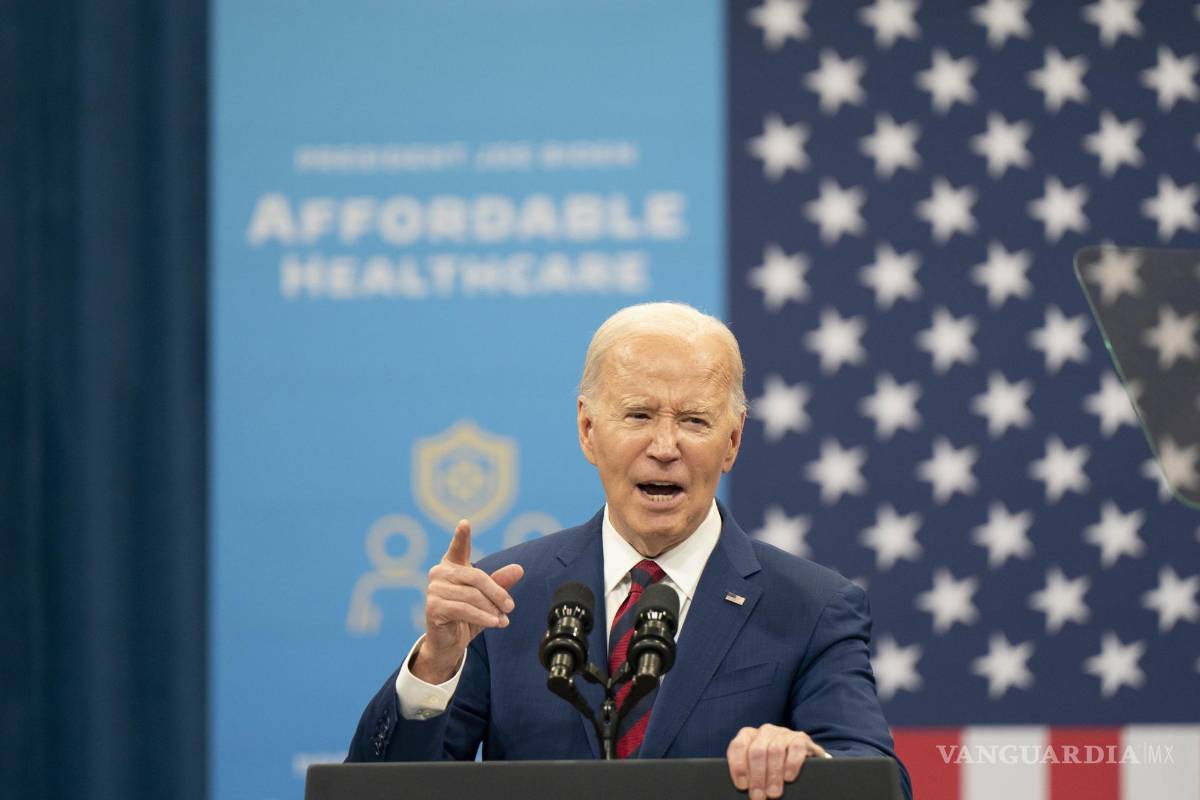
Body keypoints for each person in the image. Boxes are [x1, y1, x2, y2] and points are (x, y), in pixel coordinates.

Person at [347, 302, 912, 800]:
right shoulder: (502, 600)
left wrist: (812, 766)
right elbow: (381, 793)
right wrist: (436, 664)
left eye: (694, 420)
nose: (664, 447)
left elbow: (878, 780)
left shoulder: (812, 608)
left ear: (733, 441)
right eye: (639, 415)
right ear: (588, 429)